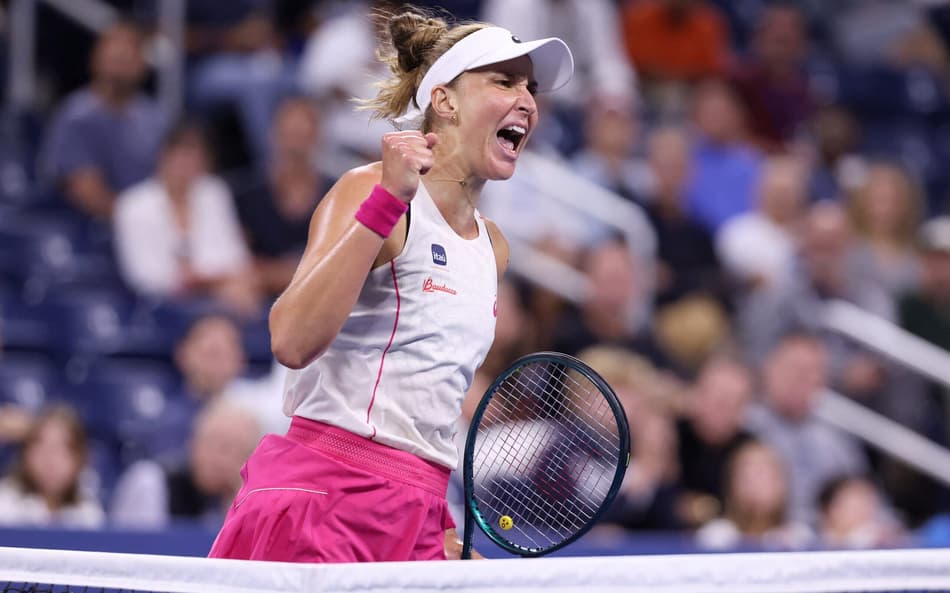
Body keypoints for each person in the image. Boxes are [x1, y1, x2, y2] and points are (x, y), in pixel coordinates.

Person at [207, 8, 574, 564]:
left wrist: (434, 525)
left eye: (531, 88)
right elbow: (291, 341)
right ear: (445, 101)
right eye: (504, 81)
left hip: (417, 510)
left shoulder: (492, 248)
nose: (527, 100)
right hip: (322, 498)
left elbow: (425, 404)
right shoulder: (370, 189)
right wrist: (388, 202)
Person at [40, 21, 168, 219]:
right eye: (114, 49)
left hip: (150, 220)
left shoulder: (156, 118)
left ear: (143, 64)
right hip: (88, 226)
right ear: (95, 59)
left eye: (130, 49)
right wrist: (139, 224)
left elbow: (174, 180)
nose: (122, 54)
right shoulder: (76, 116)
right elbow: (87, 193)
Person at [0, 405, 104, 528]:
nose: (50, 461)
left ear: (79, 459)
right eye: (42, 448)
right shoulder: (4, 504)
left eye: (62, 451)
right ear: (26, 453)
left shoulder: (89, 514)